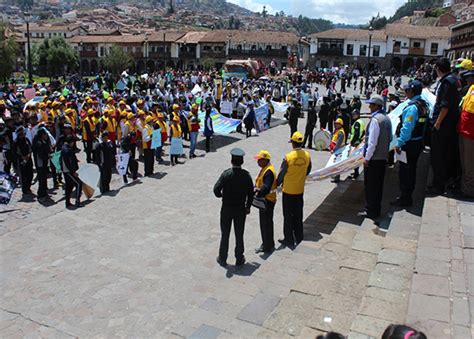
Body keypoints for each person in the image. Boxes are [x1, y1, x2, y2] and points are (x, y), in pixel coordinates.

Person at [213, 148, 254, 267]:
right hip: (240, 209)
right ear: (242, 162)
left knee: (225, 234)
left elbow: (216, 190)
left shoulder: (226, 174)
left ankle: (222, 257)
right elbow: (250, 193)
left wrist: (222, 196)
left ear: (231, 161)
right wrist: (248, 206)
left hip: (227, 208)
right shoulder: (246, 176)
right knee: (239, 234)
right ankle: (239, 258)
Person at [392, 80, 427, 207]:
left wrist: (399, 143)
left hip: (409, 144)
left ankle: (405, 197)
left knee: (405, 171)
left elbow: (407, 128)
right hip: (418, 142)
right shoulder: (423, 104)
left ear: (412, 91)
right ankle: (407, 195)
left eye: (407, 90)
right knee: (411, 170)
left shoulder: (412, 107)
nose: (405, 92)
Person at [429, 58, 461, 195]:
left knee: (438, 156)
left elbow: (445, 105)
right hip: (450, 124)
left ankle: (438, 185)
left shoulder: (447, 82)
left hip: (444, 126)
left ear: (438, 69)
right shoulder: (453, 80)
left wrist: (437, 123)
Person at [358, 95, 392, 219]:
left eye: (371, 105)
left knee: (371, 186)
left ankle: (370, 210)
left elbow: (372, 143)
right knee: (378, 186)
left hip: (374, 158)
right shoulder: (386, 119)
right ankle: (376, 209)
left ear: (377, 106)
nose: (369, 107)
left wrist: (367, 158)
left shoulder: (375, 120)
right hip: (382, 157)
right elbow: (390, 139)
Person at [276, 131, 312, 247]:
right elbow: (308, 169)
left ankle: (289, 239)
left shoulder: (288, 157)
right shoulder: (307, 155)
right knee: (298, 214)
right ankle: (299, 236)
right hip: (300, 190)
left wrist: (276, 184)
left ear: (292, 143)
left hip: (288, 191)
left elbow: (281, 175)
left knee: (287, 216)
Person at [254, 150, 277, 254]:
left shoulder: (268, 172)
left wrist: (257, 192)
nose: (258, 162)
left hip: (267, 200)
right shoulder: (266, 168)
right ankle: (269, 243)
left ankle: (266, 246)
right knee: (267, 223)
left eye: (259, 160)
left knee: (265, 224)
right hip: (267, 200)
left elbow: (266, 187)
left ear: (265, 160)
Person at [457, 69, 474, 198]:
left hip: (471, 133)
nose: (467, 80)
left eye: (470, 77)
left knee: (469, 164)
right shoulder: (470, 89)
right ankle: (464, 187)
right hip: (463, 130)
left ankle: (468, 191)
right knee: (464, 162)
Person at [61, 134, 82, 208]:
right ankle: (77, 201)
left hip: (67, 171)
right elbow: (68, 162)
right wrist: (73, 172)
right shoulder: (67, 150)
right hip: (69, 171)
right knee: (78, 184)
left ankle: (67, 202)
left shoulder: (65, 148)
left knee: (69, 186)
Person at [13, 126, 33, 196]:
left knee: (30, 174)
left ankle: (28, 187)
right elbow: (15, 152)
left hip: (28, 159)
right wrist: (22, 157)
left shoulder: (26, 140)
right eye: (22, 133)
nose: (24, 134)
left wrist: (28, 155)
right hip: (21, 160)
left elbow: (30, 147)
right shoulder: (16, 142)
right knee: (23, 175)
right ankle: (25, 190)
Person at [32, 128, 51, 202]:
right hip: (40, 164)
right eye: (45, 134)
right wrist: (47, 156)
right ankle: (41, 194)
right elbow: (41, 155)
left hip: (44, 163)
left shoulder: (43, 142)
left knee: (44, 178)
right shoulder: (39, 143)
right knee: (41, 179)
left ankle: (44, 192)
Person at [349, 109, 365, 179]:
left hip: (355, 143)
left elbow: (356, 133)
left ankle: (356, 173)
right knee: (356, 158)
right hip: (358, 141)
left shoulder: (357, 123)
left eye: (354, 114)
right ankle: (355, 172)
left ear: (357, 115)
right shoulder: (361, 121)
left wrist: (352, 142)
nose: (352, 116)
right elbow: (363, 132)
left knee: (355, 159)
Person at [329, 118, 346, 183]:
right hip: (337, 150)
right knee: (335, 163)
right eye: (335, 123)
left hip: (339, 150)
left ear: (340, 124)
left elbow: (338, 143)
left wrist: (334, 150)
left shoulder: (341, 132)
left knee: (337, 164)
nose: (336, 125)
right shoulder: (337, 130)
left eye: (337, 124)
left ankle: (337, 178)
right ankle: (335, 176)